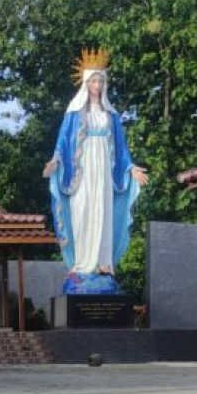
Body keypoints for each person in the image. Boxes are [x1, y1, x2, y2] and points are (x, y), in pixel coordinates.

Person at [43, 48, 148, 294]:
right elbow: (63, 142)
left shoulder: (111, 115)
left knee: (102, 211)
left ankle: (103, 263)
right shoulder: (74, 112)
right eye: (93, 81)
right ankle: (81, 264)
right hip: (81, 172)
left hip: (103, 171)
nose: (97, 85)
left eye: (101, 81)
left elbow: (121, 148)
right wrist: (55, 161)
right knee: (82, 210)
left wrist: (131, 168)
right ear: (85, 83)